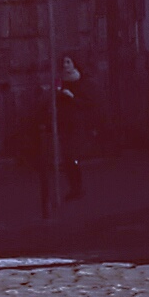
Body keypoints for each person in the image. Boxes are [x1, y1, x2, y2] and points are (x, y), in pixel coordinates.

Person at [54, 56, 90, 200]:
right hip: (64, 124)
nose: (65, 65)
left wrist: (72, 97)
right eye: (63, 62)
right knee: (67, 158)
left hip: (76, 124)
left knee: (74, 158)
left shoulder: (79, 80)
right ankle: (73, 187)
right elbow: (54, 98)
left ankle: (77, 187)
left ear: (74, 64)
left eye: (68, 62)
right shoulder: (59, 81)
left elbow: (85, 103)